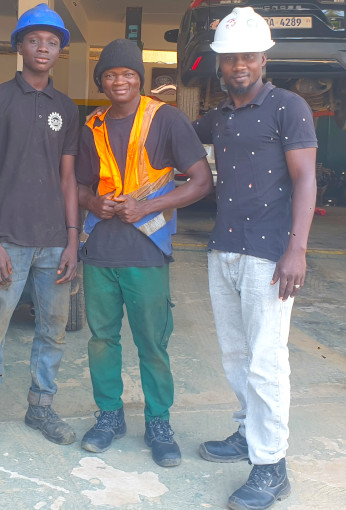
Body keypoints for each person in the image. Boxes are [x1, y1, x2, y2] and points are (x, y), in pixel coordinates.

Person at [192, 7, 317, 510]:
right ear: (219, 64)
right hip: (224, 247)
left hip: (270, 254)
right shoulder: (220, 115)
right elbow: (177, 135)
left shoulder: (288, 106)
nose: (238, 65)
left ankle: (272, 465)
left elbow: (305, 179)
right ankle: (249, 432)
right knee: (235, 355)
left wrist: (297, 249)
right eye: (229, 58)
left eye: (247, 56)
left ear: (264, 58)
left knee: (266, 362)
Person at [76, 38, 213, 468]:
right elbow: (77, 185)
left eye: (128, 73)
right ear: (101, 81)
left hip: (147, 251)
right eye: (110, 74)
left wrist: (147, 207)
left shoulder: (166, 119)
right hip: (99, 251)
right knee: (102, 340)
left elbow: (201, 181)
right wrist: (91, 201)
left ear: (140, 79)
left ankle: (158, 422)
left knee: (153, 343)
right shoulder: (92, 125)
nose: (119, 81)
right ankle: (109, 415)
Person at [0, 3, 80, 453]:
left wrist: (72, 240)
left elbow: (69, 179)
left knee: (53, 331)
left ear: (60, 52)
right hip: (9, 240)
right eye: (34, 40)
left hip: (54, 242)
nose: (43, 48)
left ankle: (41, 406)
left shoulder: (66, 108)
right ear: (19, 46)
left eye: (52, 42)